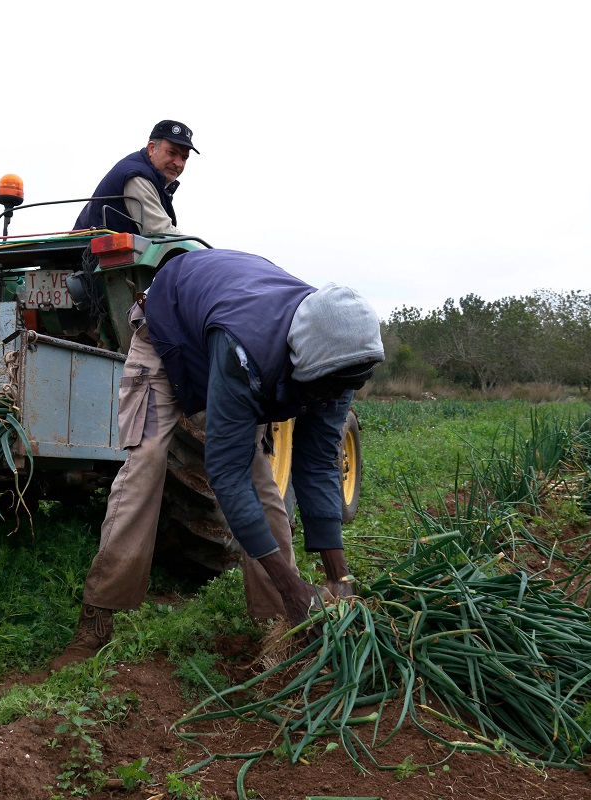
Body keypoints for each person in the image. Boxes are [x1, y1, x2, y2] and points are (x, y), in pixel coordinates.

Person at [52, 249, 384, 669]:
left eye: (348, 387)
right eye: (333, 387)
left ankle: (283, 624)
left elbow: (317, 465)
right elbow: (224, 476)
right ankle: (96, 617)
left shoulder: (342, 365)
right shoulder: (250, 353)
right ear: (306, 360)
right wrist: (292, 582)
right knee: (148, 463)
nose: (338, 397)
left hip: (222, 329)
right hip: (167, 336)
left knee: (261, 478)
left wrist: (340, 579)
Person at [73, 120, 197, 235]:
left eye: (184, 158)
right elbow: (160, 232)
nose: (178, 163)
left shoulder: (148, 174)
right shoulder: (138, 177)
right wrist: (205, 253)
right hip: (88, 255)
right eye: (172, 153)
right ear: (152, 148)